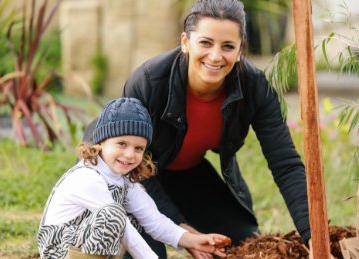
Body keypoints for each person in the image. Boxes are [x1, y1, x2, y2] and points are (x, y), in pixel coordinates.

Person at [83, 0, 311, 258]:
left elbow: (286, 163)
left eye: (228, 46)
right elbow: (130, 165)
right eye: (205, 42)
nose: (215, 56)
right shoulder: (149, 81)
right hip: (126, 175)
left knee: (242, 243)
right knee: (147, 253)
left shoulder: (255, 88)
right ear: (185, 42)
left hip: (187, 172)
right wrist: (181, 230)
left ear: (240, 50)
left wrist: (312, 234)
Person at [38, 97, 230, 259]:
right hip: (58, 249)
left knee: (133, 216)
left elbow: (155, 222)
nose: (130, 155)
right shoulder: (87, 177)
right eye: (122, 144)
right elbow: (126, 232)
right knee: (115, 216)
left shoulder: (124, 181)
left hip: (86, 243)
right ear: (100, 142)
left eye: (138, 148)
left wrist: (194, 239)